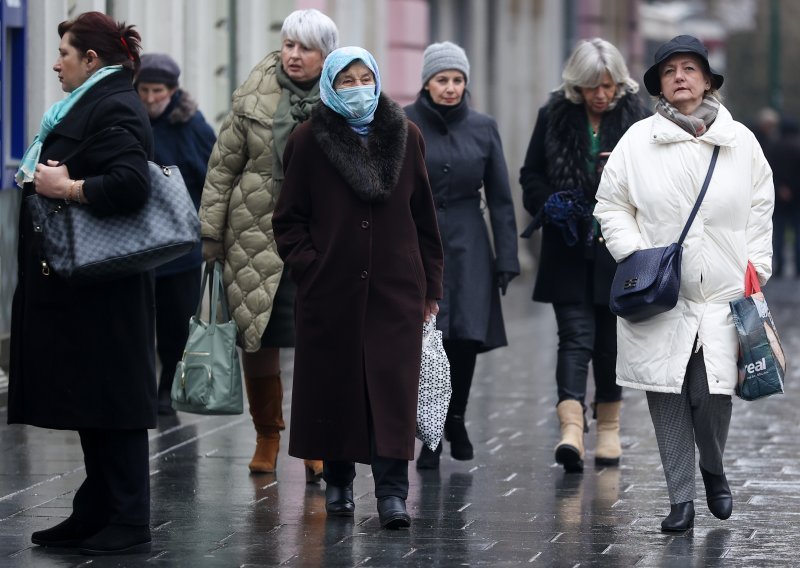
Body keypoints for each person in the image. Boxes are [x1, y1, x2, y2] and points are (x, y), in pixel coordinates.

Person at [594, 35, 774, 531]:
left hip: (723, 291)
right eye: (670, 69)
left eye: (690, 68)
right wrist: (635, 255)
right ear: (659, 83)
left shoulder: (742, 143)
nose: (680, 76)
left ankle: (712, 467)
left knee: (713, 392)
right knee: (666, 392)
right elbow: (610, 204)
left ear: (707, 80)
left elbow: (761, 205)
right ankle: (681, 499)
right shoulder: (637, 141)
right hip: (659, 293)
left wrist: (757, 263)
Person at [273, 46, 444, 529]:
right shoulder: (308, 140)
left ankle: (392, 493)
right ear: (330, 86)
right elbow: (288, 221)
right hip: (330, 294)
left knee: (392, 393)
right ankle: (340, 486)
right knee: (335, 391)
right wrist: (313, 267)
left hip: (395, 291)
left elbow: (424, 218)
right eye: (344, 80)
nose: (356, 89)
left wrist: (430, 285)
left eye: (363, 78)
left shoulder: (406, 136)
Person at [9, 11, 155, 555]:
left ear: (92, 59)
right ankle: (95, 510)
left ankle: (127, 518)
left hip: (106, 286)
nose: (55, 63)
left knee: (114, 404)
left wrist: (66, 187)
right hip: (87, 285)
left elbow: (130, 184)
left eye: (65, 53)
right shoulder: (91, 101)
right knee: (93, 401)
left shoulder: (113, 103)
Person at [199, 9, 338, 481]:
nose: (294, 55)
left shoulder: (344, 97)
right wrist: (211, 234)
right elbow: (222, 168)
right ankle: (268, 436)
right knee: (258, 338)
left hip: (319, 239)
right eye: (289, 45)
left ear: (326, 55)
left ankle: (315, 440)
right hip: (254, 235)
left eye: (306, 48)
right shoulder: (252, 95)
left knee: (318, 342)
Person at [519, 38, 648, 473]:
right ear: (578, 85)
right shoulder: (554, 115)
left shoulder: (638, 121)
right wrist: (549, 203)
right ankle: (571, 426)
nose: (602, 95)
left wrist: (625, 178)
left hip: (618, 252)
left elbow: (658, 184)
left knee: (610, 346)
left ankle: (608, 430)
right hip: (568, 245)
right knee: (574, 338)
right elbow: (530, 173)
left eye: (609, 86)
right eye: (593, 86)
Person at [404, 41, 519, 469]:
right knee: (426, 337)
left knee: (465, 336)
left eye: (457, 80)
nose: (450, 88)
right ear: (427, 83)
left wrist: (506, 258)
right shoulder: (404, 122)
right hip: (419, 238)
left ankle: (455, 418)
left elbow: (503, 198)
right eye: (442, 80)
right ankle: (429, 434)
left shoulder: (484, 127)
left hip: (471, 241)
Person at [135, 53, 216, 416]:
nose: (150, 98)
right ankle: (142, 387)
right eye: (144, 90)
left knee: (175, 322)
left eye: (157, 91)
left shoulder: (193, 126)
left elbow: (212, 179)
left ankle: (167, 387)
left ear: (172, 91)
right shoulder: (130, 120)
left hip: (181, 245)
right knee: (138, 321)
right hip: (137, 242)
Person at [769, 118, 800, 278]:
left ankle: (779, 267)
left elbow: (770, 171)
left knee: (778, 233)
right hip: (797, 198)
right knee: (797, 233)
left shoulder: (775, 147)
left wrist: (781, 188)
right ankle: (798, 268)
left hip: (779, 197)